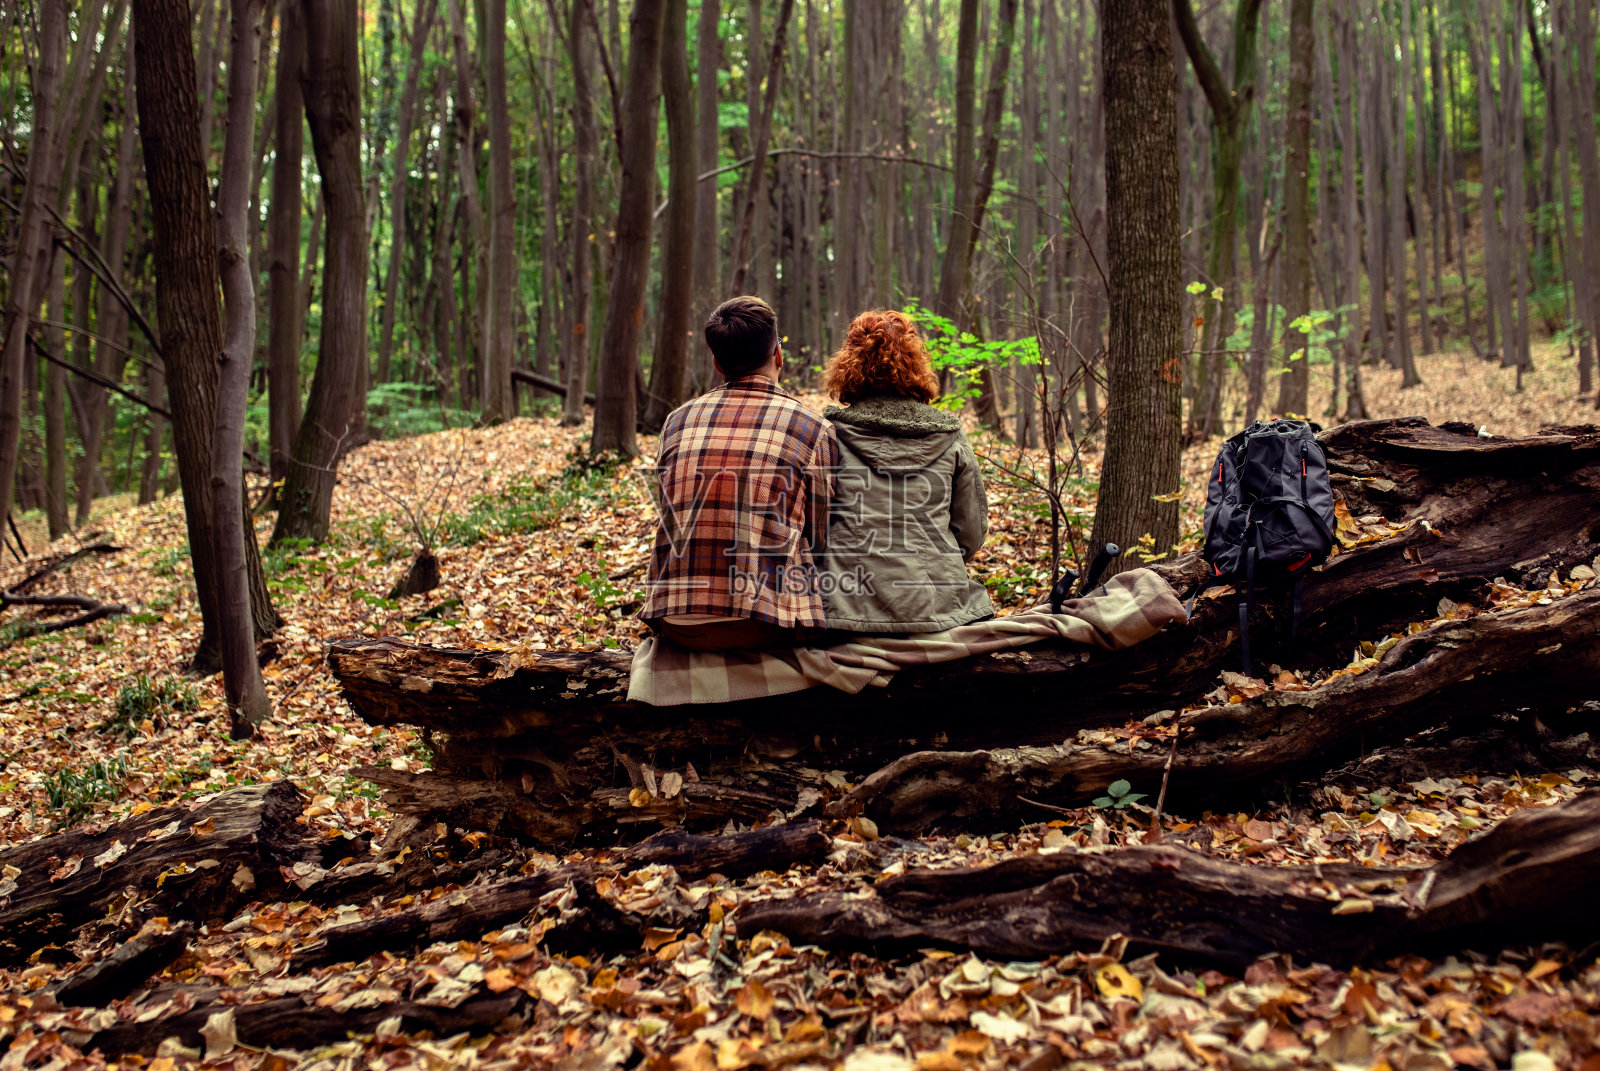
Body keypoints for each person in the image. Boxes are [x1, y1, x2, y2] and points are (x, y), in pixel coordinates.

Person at [640, 296, 840, 651]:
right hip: (767, 624)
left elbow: (670, 509)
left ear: (717, 364)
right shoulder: (813, 429)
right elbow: (820, 537)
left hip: (678, 624)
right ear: (778, 355)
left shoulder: (677, 421)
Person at [820, 309, 994, 633]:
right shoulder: (950, 437)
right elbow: (970, 533)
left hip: (847, 613)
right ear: (916, 363)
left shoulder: (828, 435)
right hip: (938, 611)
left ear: (849, 364)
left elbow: (813, 530)